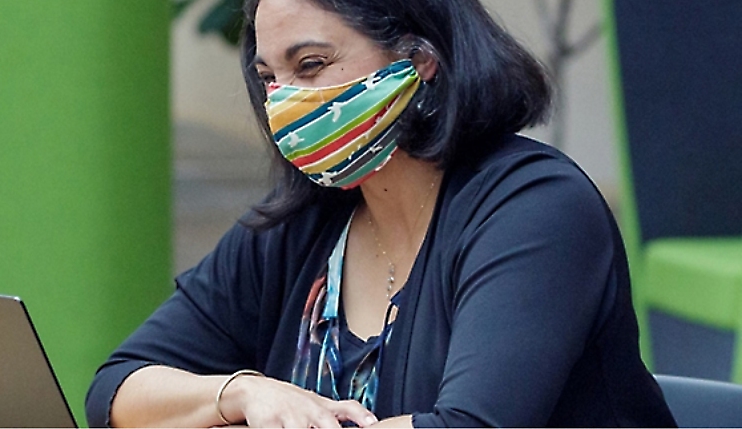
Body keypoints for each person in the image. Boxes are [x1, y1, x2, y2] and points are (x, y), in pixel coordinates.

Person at [86, 0, 677, 427]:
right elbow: (118, 389)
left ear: (421, 59)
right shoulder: (301, 222)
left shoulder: (536, 208)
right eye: (269, 78)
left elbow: (472, 425)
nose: (283, 102)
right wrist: (241, 394)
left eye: (311, 65)